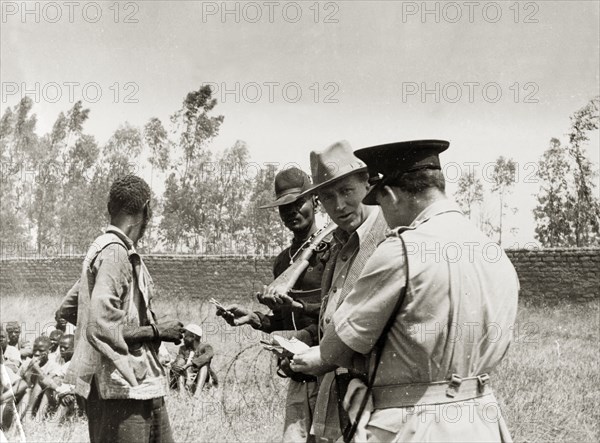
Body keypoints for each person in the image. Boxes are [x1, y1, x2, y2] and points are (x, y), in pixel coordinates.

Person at [292, 140, 519, 442]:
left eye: (380, 203)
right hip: (482, 420)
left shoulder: (401, 250)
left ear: (389, 195)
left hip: (415, 423)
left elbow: (335, 348)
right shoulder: (494, 253)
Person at [58, 174, 185, 443]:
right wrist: (156, 331)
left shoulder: (105, 251)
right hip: (120, 392)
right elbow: (100, 324)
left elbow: (71, 309)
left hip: (142, 386)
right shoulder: (115, 254)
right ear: (146, 209)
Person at [216, 167, 327, 443]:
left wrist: (303, 328)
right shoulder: (283, 261)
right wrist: (254, 318)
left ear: (314, 200)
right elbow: (284, 317)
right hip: (298, 373)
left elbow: (335, 313)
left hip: (329, 371)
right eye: (283, 208)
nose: (291, 212)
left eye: (297, 203)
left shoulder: (333, 249)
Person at [292, 141, 388, 442]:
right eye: (328, 197)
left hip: (377, 400)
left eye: (347, 192)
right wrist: (310, 337)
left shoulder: (388, 238)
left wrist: (325, 357)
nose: (339, 205)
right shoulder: (338, 243)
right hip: (337, 394)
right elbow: (337, 314)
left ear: (367, 184)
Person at [170, 324, 217, 395]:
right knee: (180, 363)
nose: (183, 339)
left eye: (186, 336)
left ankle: (197, 395)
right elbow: (180, 358)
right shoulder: (183, 349)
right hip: (186, 377)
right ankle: (182, 394)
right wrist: (176, 365)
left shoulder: (206, 347)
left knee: (204, 366)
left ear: (193, 337)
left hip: (201, 380)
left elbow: (207, 356)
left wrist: (190, 364)